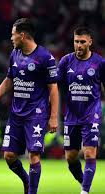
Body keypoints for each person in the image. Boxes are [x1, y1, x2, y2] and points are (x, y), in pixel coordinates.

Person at [0, 18, 59, 194]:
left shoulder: (45, 57)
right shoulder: (14, 54)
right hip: (16, 113)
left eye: (13, 34)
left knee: (33, 154)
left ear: (22, 35)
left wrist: (53, 116)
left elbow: (53, 89)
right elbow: (9, 80)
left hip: (37, 114)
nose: (11, 38)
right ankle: (27, 182)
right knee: (9, 156)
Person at [57, 27, 105, 194]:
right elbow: (56, 87)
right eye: (76, 41)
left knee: (90, 153)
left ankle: (84, 191)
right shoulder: (65, 61)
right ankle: (85, 184)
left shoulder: (99, 63)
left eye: (82, 42)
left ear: (90, 42)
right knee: (70, 158)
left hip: (92, 115)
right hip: (71, 116)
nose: (79, 45)